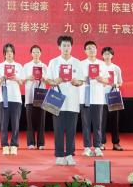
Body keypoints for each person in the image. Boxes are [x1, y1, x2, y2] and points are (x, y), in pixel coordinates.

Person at [46, 34, 85, 166]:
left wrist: (76, 82)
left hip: (73, 101)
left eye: (68, 45)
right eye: (64, 45)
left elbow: (81, 81)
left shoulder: (77, 62)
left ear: (71, 47)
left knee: (71, 129)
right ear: (59, 47)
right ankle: (59, 155)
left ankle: (69, 154)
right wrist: (54, 81)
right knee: (58, 129)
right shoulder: (53, 62)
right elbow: (47, 80)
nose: (66, 48)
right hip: (57, 100)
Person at [0, 43, 24, 155]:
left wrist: (16, 78)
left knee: (15, 123)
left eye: (11, 51)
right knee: (4, 123)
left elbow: (22, 82)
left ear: (14, 53)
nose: (9, 54)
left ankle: (14, 145)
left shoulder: (19, 66)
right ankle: (5, 145)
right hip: (3, 97)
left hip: (16, 98)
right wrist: (2, 78)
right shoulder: (0, 66)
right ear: (4, 54)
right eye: (7, 52)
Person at [77, 41, 106, 157]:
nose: (91, 50)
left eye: (93, 48)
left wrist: (100, 79)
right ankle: (87, 147)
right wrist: (85, 78)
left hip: (98, 98)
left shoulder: (102, 64)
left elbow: (107, 80)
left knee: (98, 124)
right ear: (85, 51)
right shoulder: (80, 64)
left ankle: (98, 147)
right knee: (86, 124)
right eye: (89, 48)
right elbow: (77, 80)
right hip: (85, 98)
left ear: (96, 50)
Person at [24, 44, 49, 150]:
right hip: (29, 95)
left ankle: (41, 143)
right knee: (30, 121)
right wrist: (28, 78)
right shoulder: (26, 66)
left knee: (41, 120)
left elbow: (48, 81)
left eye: (38, 52)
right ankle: (30, 143)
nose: (36, 54)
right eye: (34, 52)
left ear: (41, 53)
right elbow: (22, 80)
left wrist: (44, 79)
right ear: (31, 53)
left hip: (41, 95)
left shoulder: (44, 66)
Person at [100, 46, 124, 151]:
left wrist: (117, 85)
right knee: (101, 122)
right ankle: (101, 143)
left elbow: (120, 82)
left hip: (114, 96)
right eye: (105, 54)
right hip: (101, 97)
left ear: (112, 55)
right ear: (102, 55)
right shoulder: (100, 67)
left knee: (115, 122)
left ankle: (116, 143)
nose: (107, 55)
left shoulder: (116, 68)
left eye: (109, 54)